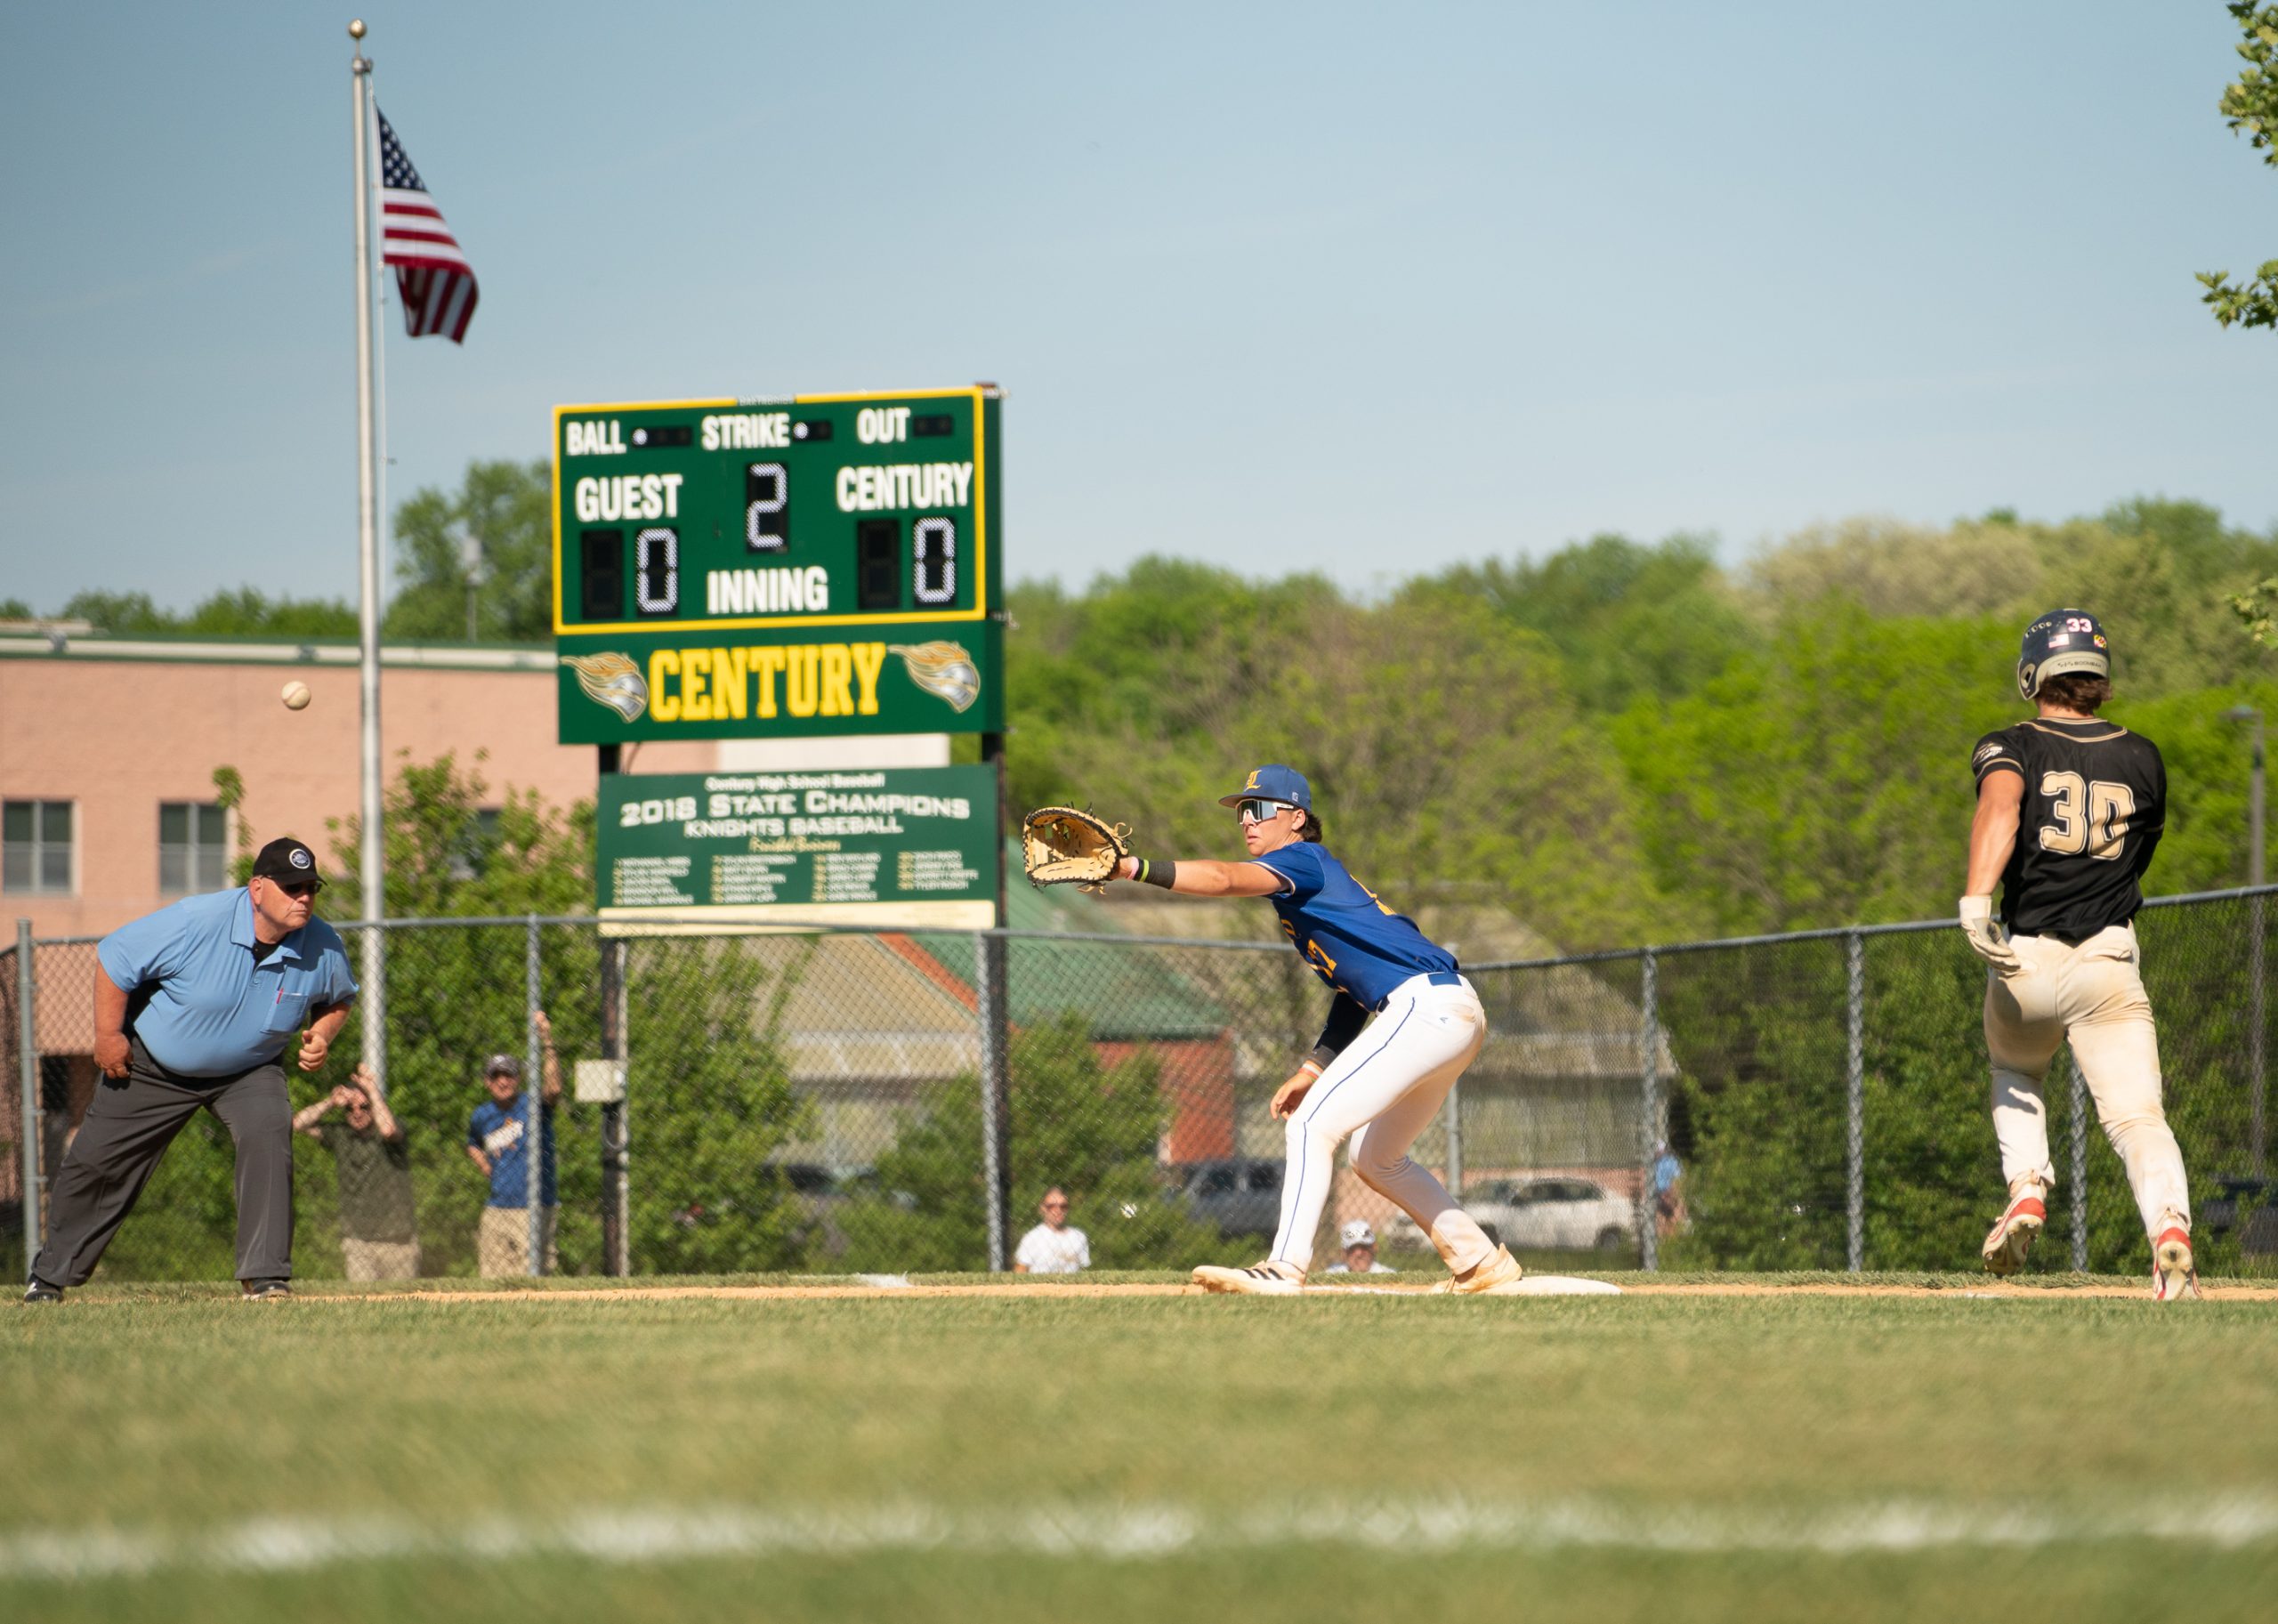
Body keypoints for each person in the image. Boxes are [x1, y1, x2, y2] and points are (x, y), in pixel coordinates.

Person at [1107, 764, 1521, 1296]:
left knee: (1311, 1126)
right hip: (1444, 1010)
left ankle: (1283, 1268)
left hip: (1425, 1008)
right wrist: (1312, 1067)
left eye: (1258, 809)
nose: (1246, 822)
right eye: (1241, 812)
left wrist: (1132, 867)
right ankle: (1481, 1261)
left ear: (1297, 817)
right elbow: (1352, 993)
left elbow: (1223, 879)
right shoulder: (1310, 891)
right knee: (1375, 1157)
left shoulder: (1303, 860)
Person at [1962, 609, 2197, 1300]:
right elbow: (2139, 856)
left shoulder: (2012, 743)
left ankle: (2028, 1187)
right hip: (2109, 958)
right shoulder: (2142, 755)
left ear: (2034, 672)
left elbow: (2001, 809)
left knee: (2014, 1067)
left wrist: (1977, 899)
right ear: (2098, 676)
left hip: (2028, 956)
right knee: (2136, 1119)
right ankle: (2170, 1232)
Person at [23, 837, 358, 1303]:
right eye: (292, 887)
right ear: (257, 889)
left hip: (249, 1069)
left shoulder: (321, 943)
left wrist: (322, 1035)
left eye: (310, 888)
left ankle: (265, 1277)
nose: (304, 897)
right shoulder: (196, 921)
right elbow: (115, 958)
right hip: (156, 1064)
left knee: (269, 1130)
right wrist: (107, 1036)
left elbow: (340, 996)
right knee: (95, 1163)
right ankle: (50, 1277)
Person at [294, 1062, 419, 1281]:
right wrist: (330, 1103)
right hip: (358, 1241)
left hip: (398, 1240)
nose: (357, 1113)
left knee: (403, 1303)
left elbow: (388, 1130)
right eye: (350, 1109)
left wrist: (371, 1090)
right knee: (363, 1303)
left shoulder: (391, 1130)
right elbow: (298, 1124)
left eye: (364, 1107)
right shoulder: (341, 1134)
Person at [466, 1010, 562, 1277]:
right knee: (492, 1278)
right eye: (496, 1076)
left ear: (517, 1079)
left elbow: (553, 1089)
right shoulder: (482, 1115)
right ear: (487, 1082)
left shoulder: (532, 1105)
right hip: (498, 1207)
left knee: (532, 1276)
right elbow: (472, 1143)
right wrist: (486, 1167)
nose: (503, 1081)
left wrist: (547, 1041)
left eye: (508, 1075)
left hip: (534, 1206)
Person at [1013, 1185, 1090, 1273]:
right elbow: (1020, 1271)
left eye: (1063, 1206)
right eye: (1051, 1206)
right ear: (1042, 1208)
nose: (1058, 1210)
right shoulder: (1032, 1237)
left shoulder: (1079, 1236)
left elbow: (1083, 1270)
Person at [1322, 1218, 1395, 1274]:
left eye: (1364, 1247)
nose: (1358, 1253)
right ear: (1343, 1252)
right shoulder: (1332, 1274)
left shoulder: (1387, 1275)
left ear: (1374, 1248)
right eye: (1352, 1248)